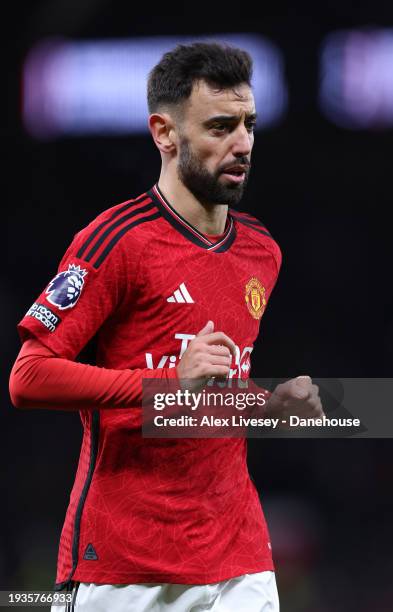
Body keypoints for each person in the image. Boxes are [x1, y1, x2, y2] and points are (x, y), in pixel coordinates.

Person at [9, 42, 323, 611]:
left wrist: (270, 405)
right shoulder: (116, 242)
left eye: (249, 124)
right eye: (221, 127)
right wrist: (164, 388)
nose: (244, 144)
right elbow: (28, 378)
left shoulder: (262, 252)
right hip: (125, 568)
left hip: (239, 559)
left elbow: (210, 400)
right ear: (164, 133)